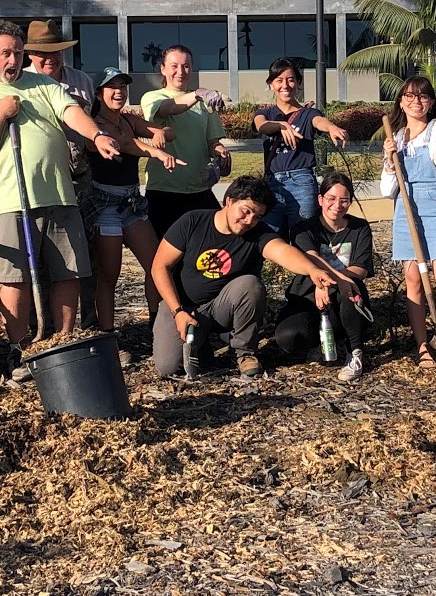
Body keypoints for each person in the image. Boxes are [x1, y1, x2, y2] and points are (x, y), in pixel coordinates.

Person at [0, 20, 121, 365]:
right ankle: (20, 352)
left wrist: (96, 136)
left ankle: (61, 347)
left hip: (59, 197)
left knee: (69, 272)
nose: (13, 59)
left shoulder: (45, 85)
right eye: (6, 52)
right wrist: (0, 117)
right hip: (9, 202)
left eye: (18, 52)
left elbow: (72, 113)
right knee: (15, 279)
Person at [150, 175, 337, 381]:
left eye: (257, 216)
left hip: (222, 307)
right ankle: (200, 345)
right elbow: (160, 267)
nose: (249, 221)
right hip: (183, 307)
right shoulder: (193, 221)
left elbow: (282, 252)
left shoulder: (257, 234)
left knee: (250, 285)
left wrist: (312, 270)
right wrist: (177, 311)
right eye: (246, 211)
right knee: (168, 367)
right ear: (229, 201)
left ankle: (244, 352)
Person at [87, 66, 180, 335]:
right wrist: (157, 152)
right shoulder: (95, 127)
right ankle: (108, 333)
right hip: (105, 205)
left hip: (132, 203)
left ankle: (157, 326)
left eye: (123, 87)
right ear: (98, 93)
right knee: (109, 275)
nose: (119, 92)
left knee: (156, 265)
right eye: (112, 87)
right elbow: (127, 145)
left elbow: (167, 133)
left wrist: (160, 132)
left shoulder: (128, 119)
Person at [380, 76, 436, 370]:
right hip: (405, 211)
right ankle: (423, 345)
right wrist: (390, 161)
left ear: (431, 102)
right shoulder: (396, 138)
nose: (417, 102)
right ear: (401, 102)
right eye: (410, 97)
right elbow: (386, 190)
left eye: (423, 97)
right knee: (414, 281)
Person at [23, 19, 99, 328]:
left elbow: (92, 120)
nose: (49, 58)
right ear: (30, 54)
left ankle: (91, 322)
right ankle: (41, 327)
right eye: (42, 52)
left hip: (79, 180)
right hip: (37, 183)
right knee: (38, 258)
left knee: (85, 256)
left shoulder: (81, 80)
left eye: (55, 51)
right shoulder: (20, 82)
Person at [272, 170, 375, 382]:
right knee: (287, 337)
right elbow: (312, 259)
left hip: (344, 297)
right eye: (331, 198)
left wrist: (333, 283)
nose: (337, 205)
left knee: (351, 286)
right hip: (309, 296)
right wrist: (321, 283)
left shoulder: (359, 228)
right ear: (320, 199)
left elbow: (360, 269)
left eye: (344, 200)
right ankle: (321, 344)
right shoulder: (303, 229)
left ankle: (354, 352)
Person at [140, 45, 231, 238]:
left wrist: (220, 151)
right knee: (166, 255)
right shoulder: (153, 97)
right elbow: (171, 108)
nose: (180, 72)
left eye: (186, 66)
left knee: (212, 246)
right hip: (164, 191)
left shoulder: (205, 103)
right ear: (163, 69)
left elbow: (212, 141)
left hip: (200, 190)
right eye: (174, 66)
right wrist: (199, 93)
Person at [253, 58, 349, 236]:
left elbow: (320, 122)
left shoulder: (308, 113)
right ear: (271, 84)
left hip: (301, 182)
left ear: (298, 82)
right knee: (269, 238)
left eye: (290, 80)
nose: (285, 85)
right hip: (272, 183)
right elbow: (261, 126)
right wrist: (281, 126)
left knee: (303, 237)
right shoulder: (264, 113)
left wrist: (332, 127)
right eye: (279, 80)